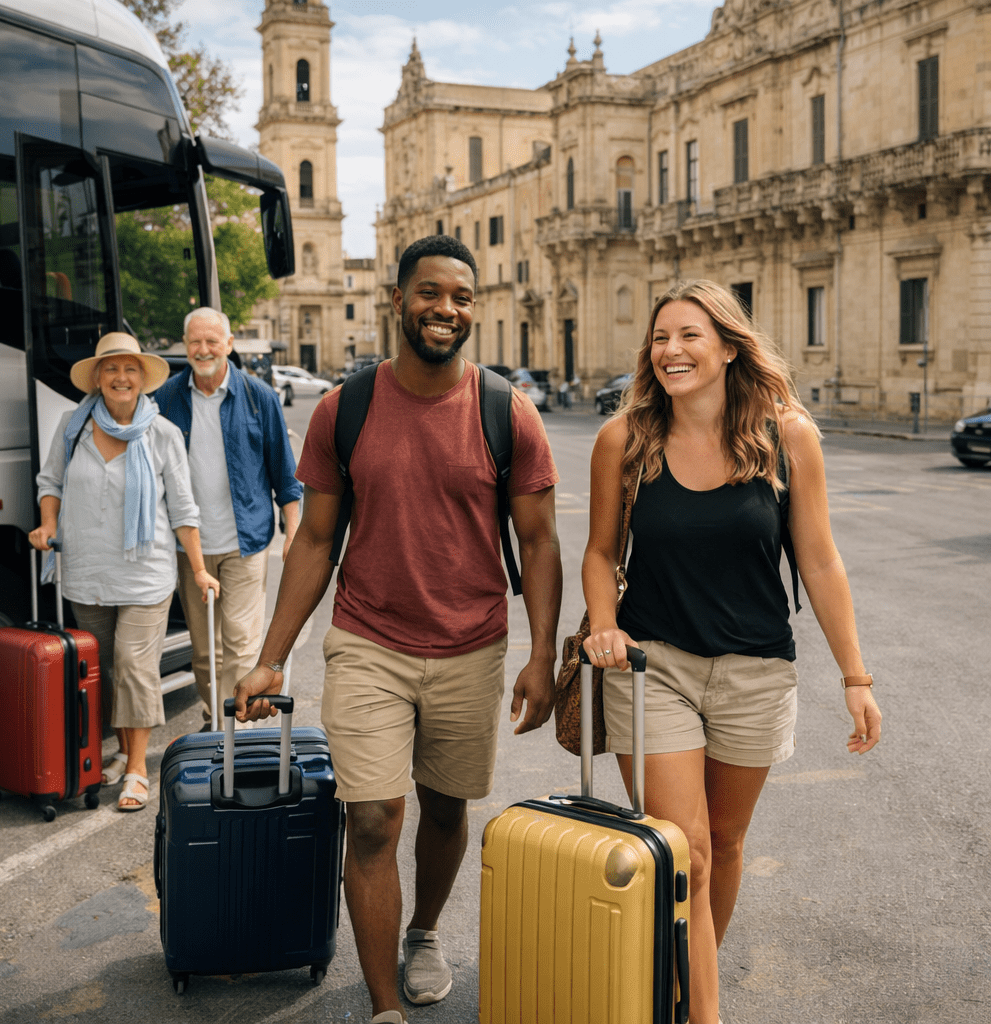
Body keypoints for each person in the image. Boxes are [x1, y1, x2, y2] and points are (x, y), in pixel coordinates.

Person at [234, 235, 563, 1024]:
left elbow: (540, 539)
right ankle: (386, 1007)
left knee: (445, 811)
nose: (444, 309)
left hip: (472, 646)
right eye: (428, 293)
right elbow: (314, 540)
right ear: (397, 299)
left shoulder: (504, 410)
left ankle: (423, 932)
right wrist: (270, 658)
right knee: (374, 815)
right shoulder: (344, 408)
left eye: (459, 297)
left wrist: (543, 655)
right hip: (368, 643)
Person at [581, 280, 882, 1024]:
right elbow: (596, 552)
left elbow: (819, 561)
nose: (672, 351)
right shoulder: (625, 438)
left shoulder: (788, 435)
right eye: (660, 338)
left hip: (756, 670)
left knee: (727, 843)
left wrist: (856, 675)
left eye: (689, 336)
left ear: (726, 346)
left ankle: (682, 980)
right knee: (686, 847)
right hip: (654, 666)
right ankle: (704, 1014)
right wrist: (603, 624)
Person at [30, 333, 220, 812]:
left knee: (135, 668)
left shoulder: (162, 434)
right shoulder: (73, 427)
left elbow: (183, 508)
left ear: (143, 378)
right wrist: (48, 523)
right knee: (105, 671)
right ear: (97, 377)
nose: (120, 377)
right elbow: (50, 481)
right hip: (86, 572)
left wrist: (198, 569)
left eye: (130, 369)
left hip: (144, 575)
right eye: (111, 369)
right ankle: (116, 754)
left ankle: (136, 768)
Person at [154, 308, 302, 728]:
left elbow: (285, 477)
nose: (204, 350)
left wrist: (292, 532)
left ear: (229, 345)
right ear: (186, 346)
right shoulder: (165, 399)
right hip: (191, 547)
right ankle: (214, 715)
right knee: (203, 652)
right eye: (195, 342)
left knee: (239, 644)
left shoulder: (259, 397)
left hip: (246, 541)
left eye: (212, 342)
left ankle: (228, 731)